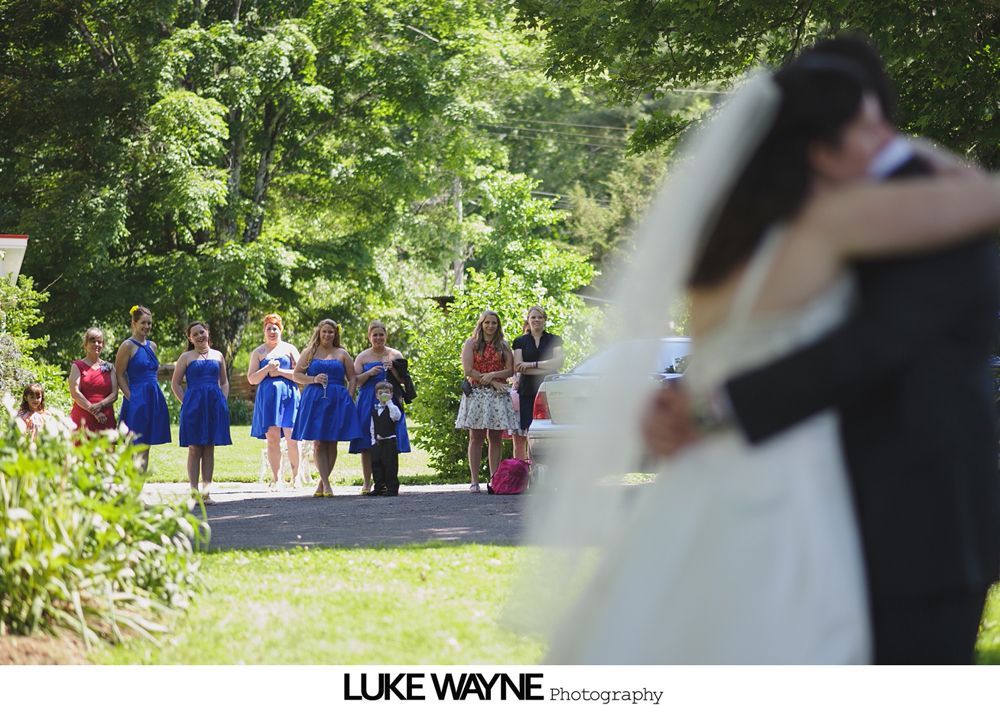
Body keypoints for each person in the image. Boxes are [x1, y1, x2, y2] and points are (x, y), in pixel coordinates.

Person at [524, 49, 1000, 664]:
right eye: (868, 126)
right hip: (793, 480)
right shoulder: (831, 221)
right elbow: (984, 201)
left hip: (711, 477)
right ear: (817, 151)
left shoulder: (721, 240)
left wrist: (698, 405)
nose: (889, 139)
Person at [292, 319, 362, 497]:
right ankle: (327, 485)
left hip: (337, 400)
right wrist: (313, 379)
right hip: (315, 399)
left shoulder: (342, 353)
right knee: (319, 442)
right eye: (324, 331)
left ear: (335, 334)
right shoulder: (310, 352)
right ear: (319, 332)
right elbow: (297, 375)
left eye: (331, 332)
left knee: (332, 441)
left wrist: (349, 395)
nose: (327, 335)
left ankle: (321, 484)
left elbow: (352, 378)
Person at [455, 310, 518, 493]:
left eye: (494, 323)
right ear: (481, 324)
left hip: (497, 396)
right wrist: (491, 381)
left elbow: (509, 370)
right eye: (487, 322)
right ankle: (474, 481)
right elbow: (468, 370)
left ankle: (494, 479)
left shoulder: (503, 345)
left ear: (498, 326)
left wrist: (493, 376)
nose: (490, 326)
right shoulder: (471, 343)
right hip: (477, 394)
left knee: (496, 438)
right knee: (476, 437)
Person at [170, 321, 232, 506]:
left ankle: (206, 493)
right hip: (194, 407)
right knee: (195, 448)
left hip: (214, 405)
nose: (199, 336)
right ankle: (194, 492)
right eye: (195, 334)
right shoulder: (186, 357)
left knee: (209, 448)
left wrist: (223, 400)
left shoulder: (218, 355)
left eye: (202, 332)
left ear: (208, 332)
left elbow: (224, 382)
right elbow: (175, 384)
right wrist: (187, 402)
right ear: (190, 338)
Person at [350, 320, 411, 495]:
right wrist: (369, 373)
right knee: (368, 442)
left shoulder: (395, 354)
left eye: (381, 335)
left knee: (390, 440)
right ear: (369, 337)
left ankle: (390, 481)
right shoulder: (363, 356)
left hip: (390, 399)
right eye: (375, 335)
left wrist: (393, 370)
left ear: (386, 336)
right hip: (368, 400)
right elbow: (356, 380)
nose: (378, 338)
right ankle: (368, 482)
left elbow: (403, 380)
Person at [248, 313, 301, 487]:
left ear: (281, 330)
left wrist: (279, 372)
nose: (272, 331)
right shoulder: (258, 352)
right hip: (268, 399)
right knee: (272, 438)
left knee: (292, 436)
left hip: (289, 397)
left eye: (275, 328)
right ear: (264, 331)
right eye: (269, 328)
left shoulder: (290, 349)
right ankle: (277, 478)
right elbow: (252, 379)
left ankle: (296, 477)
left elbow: (301, 375)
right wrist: (267, 370)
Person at [115, 305, 171, 470]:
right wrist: (131, 397)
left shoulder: (152, 346)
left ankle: (139, 487)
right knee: (135, 444)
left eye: (149, 323)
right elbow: (119, 374)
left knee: (146, 445)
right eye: (143, 323)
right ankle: (130, 489)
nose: (147, 327)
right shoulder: (127, 346)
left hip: (153, 397)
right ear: (134, 323)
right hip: (136, 398)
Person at [511, 306, 564, 460]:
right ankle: (530, 470)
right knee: (530, 431)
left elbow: (558, 363)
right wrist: (546, 366)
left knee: (551, 428)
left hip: (550, 389)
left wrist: (531, 365)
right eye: (533, 317)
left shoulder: (554, 339)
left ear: (545, 320)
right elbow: (518, 366)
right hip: (527, 390)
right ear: (528, 320)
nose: (536, 320)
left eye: (539, 317)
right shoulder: (520, 341)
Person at [68, 327, 118, 432]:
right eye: (92, 340)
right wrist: (96, 412)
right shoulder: (77, 366)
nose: (96, 344)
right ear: (85, 344)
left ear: (103, 345)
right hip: (82, 419)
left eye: (99, 342)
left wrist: (100, 405)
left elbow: (114, 394)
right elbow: (75, 393)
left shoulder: (109, 367)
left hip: (105, 418)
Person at [365, 380, 403, 497]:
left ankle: (392, 488)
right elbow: (372, 427)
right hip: (377, 442)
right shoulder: (375, 410)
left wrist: (390, 402)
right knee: (376, 465)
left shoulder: (393, 408)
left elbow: (396, 417)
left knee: (390, 465)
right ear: (376, 395)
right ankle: (379, 486)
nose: (383, 395)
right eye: (381, 393)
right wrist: (373, 441)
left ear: (391, 394)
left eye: (386, 392)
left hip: (389, 441)